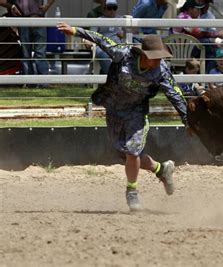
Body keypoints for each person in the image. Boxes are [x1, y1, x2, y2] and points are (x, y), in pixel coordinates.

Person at [57, 21, 188, 212]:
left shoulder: (161, 71)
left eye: (161, 57)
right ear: (143, 54)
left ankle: (132, 192)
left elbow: (175, 94)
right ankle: (161, 169)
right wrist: (76, 31)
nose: (158, 61)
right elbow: (101, 39)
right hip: (114, 108)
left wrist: (187, 119)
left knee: (132, 151)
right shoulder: (123, 54)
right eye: (155, 57)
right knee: (126, 155)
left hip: (136, 111)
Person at [10, 0, 55, 87]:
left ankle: (43, 82)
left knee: (40, 53)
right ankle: (29, 82)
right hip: (23, 21)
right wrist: (12, 7)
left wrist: (47, 5)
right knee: (26, 54)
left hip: (38, 19)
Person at [90, 0, 124, 74]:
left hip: (118, 45)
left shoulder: (122, 19)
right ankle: (112, 76)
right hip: (103, 45)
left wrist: (123, 34)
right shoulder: (98, 20)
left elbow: (131, 33)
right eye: (109, 8)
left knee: (126, 53)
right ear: (104, 8)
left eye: (114, 8)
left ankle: (118, 76)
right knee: (101, 53)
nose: (112, 10)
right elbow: (92, 34)